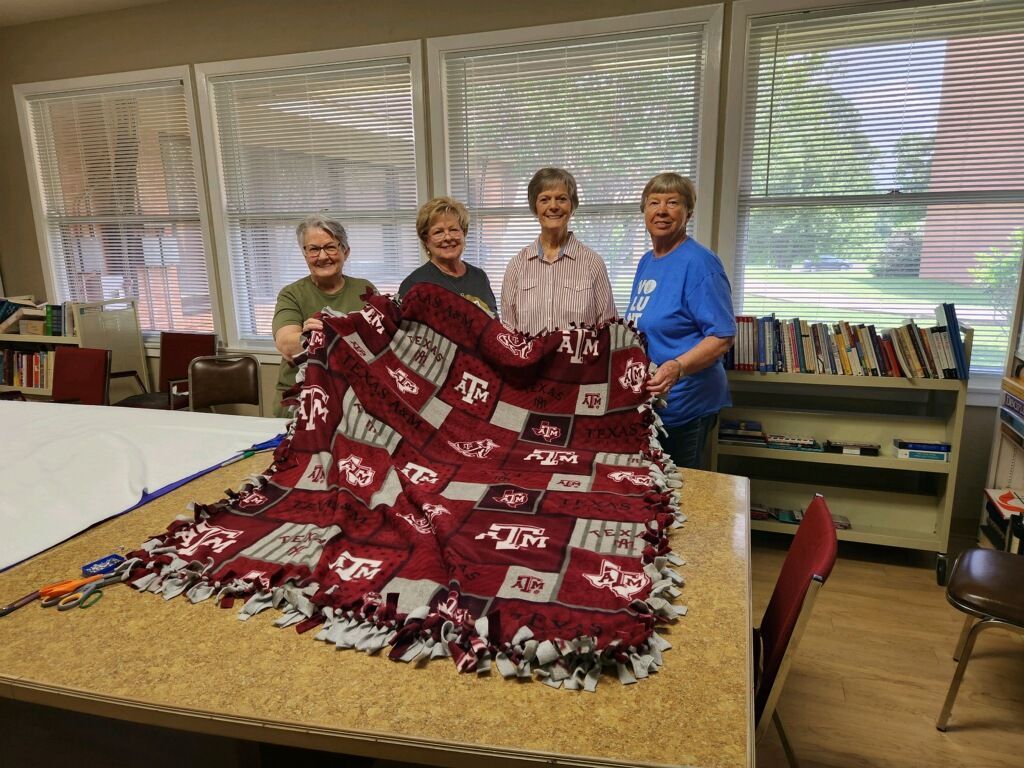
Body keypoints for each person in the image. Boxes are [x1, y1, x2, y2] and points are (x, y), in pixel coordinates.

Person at [625, 173, 735, 470]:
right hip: (655, 405)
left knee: (681, 494)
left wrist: (677, 367)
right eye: (654, 202)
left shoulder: (700, 262)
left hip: (687, 404)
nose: (661, 210)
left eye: (673, 202)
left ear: (688, 212)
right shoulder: (648, 261)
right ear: (644, 211)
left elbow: (722, 336)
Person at [272, 215, 376, 417]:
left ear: (345, 251)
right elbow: (286, 344)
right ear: (305, 255)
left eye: (330, 247)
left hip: (356, 400)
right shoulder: (291, 294)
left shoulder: (365, 289)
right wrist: (311, 336)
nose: (322, 257)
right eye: (313, 249)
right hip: (303, 400)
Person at [501, 167, 616, 335]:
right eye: (545, 199)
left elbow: (609, 330)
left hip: (581, 361)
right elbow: (508, 331)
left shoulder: (593, 263)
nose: (553, 206)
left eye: (561, 199)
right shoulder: (517, 265)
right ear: (535, 207)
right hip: (532, 362)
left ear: (572, 206)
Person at [399, 197, 497, 315]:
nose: (448, 237)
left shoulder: (479, 277)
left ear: (463, 233)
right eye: (438, 232)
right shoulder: (414, 284)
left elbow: (494, 325)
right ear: (426, 240)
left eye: (453, 229)